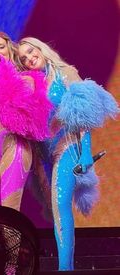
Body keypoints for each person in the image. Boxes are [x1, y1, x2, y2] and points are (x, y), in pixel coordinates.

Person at [17, 37, 119, 271]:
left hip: (67, 147)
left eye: (31, 52)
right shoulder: (33, 82)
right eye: (23, 58)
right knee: (54, 210)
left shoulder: (64, 73)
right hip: (45, 154)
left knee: (61, 204)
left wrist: (86, 154)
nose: (30, 58)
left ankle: (65, 269)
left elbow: (82, 115)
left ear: (41, 49)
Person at [0, 32, 52, 211]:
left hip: (13, 145)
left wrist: (4, 70)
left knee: (9, 210)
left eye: (0, 46)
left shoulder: (26, 79)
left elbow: (26, 113)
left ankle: (9, 240)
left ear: (9, 49)